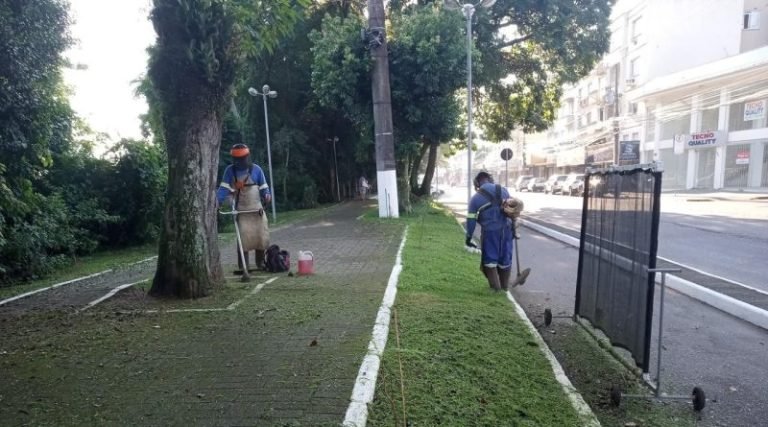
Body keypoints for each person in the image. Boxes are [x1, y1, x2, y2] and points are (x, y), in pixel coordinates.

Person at [217, 144, 272, 272]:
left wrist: (267, 195)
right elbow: (223, 188)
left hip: (257, 210)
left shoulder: (257, 170)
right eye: (236, 159)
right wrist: (217, 201)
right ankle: (244, 266)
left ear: (247, 157)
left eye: (242, 158)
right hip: (241, 210)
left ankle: (260, 263)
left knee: (261, 236)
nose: (239, 161)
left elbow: (264, 187)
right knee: (243, 237)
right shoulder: (230, 171)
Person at [465, 171, 514, 292]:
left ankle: (496, 289)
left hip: (490, 233)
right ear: (490, 179)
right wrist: (513, 230)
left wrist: (468, 237)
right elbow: (512, 211)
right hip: (507, 230)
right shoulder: (504, 190)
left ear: (477, 183)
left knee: (490, 261)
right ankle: (505, 288)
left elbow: (471, 221)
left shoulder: (475, 199)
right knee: (505, 259)